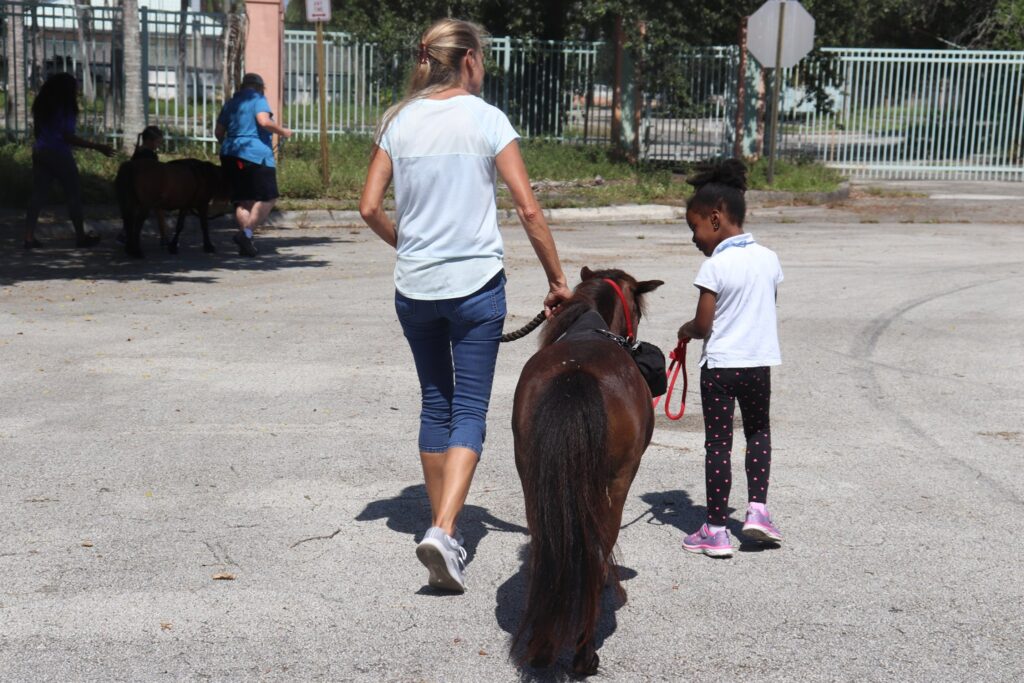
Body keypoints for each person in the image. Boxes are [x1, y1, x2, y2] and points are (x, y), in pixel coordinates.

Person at [359, 18, 572, 593]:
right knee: (471, 409)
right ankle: (445, 526)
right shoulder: (487, 120)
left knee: (436, 400)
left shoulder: (398, 121)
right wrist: (557, 279)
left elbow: (369, 207)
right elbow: (528, 210)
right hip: (476, 288)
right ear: (471, 58)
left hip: (416, 289)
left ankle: (440, 533)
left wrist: (411, 247)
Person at [677, 159, 784, 559]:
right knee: (758, 434)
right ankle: (757, 510)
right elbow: (766, 309)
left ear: (716, 219)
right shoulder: (769, 259)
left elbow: (705, 325)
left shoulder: (715, 265)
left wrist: (687, 331)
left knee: (718, 446)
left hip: (721, 369)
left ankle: (717, 529)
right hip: (758, 365)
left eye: (696, 228)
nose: (694, 238)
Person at [24, 72, 114, 249]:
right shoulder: (66, 108)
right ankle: (81, 237)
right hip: (59, 153)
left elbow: (38, 130)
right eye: (75, 86)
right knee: (73, 195)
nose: (78, 89)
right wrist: (97, 147)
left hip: (41, 151)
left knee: (38, 195)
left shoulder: (42, 105)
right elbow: (68, 136)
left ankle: (28, 237)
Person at [215, 72, 292, 257]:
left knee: (243, 200)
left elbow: (218, 132)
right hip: (256, 156)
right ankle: (246, 234)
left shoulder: (231, 103)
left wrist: (232, 145)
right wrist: (283, 131)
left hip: (230, 154)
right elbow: (264, 121)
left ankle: (246, 243)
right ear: (259, 87)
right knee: (269, 196)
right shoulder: (258, 99)